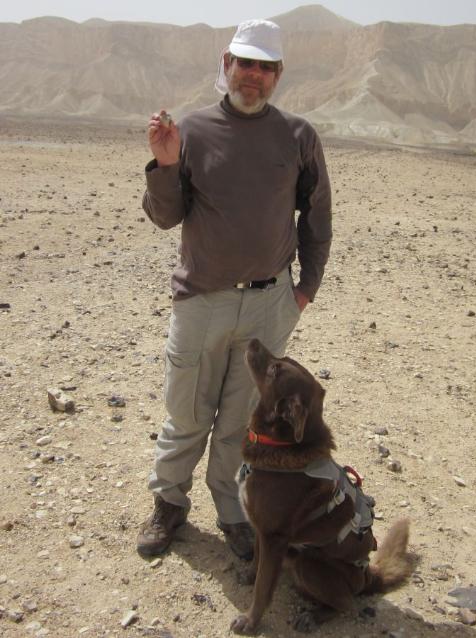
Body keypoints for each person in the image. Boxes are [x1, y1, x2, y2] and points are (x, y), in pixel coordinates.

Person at [137, 18, 332, 559]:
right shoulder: (192, 130)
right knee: (188, 414)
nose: (254, 76)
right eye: (245, 63)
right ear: (226, 64)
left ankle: (230, 508)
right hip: (203, 300)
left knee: (242, 423)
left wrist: (303, 290)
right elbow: (165, 215)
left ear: (278, 76)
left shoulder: (298, 136)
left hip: (270, 304)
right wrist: (166, 163)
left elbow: (316, 216)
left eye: (265, 67)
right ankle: (169, 505)